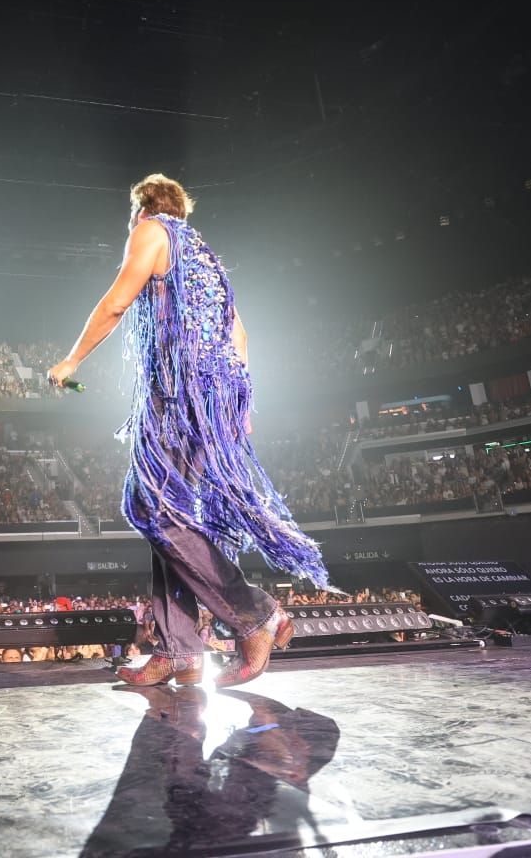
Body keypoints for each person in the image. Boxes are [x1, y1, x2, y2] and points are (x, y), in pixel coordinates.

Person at [46, 174, 332, 689]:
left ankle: (255, 615)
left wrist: (71, 361)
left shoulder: (151, 231)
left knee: (151, 508)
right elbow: (239, 331)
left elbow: (115, 304)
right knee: (163, 515)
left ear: (141, 208)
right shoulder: (204, 254)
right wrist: (237, 402)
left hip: (179, 397)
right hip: (212, 398)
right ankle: (178, 648)